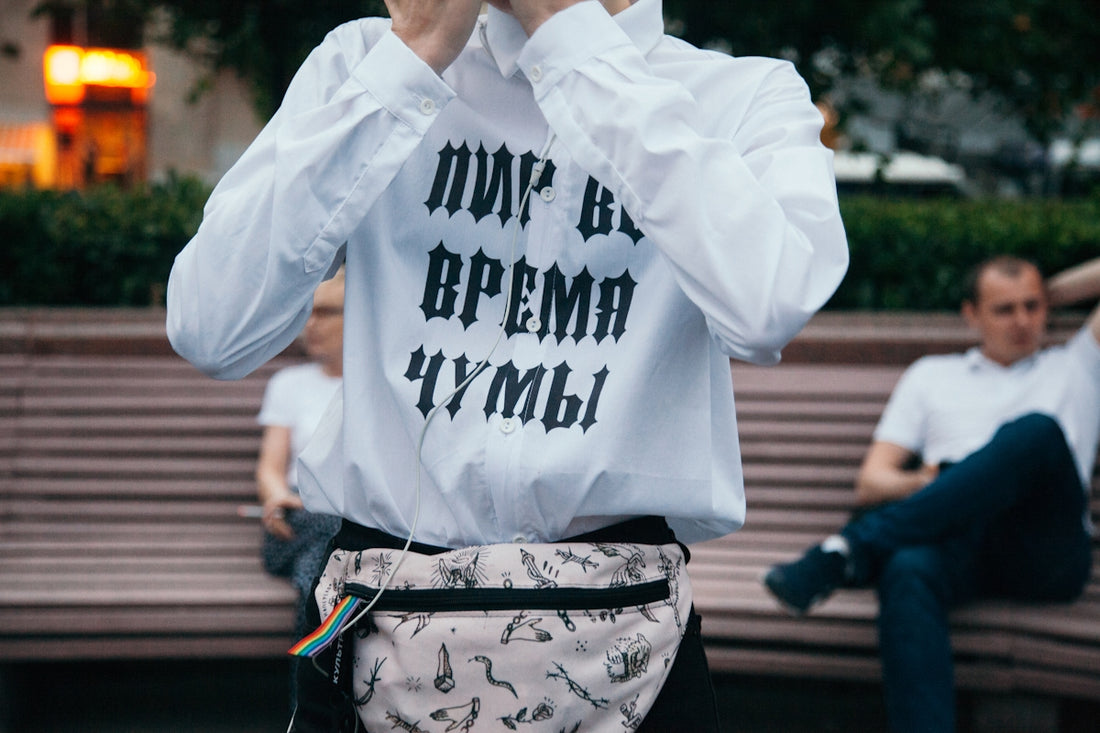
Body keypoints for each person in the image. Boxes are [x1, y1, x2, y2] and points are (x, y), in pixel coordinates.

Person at [166, 0, 848, 729]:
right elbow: (213, 327)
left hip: (627, 637)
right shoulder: (364, 63)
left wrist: (568, 36)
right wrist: (410, 60)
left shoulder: (742, 95)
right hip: (382, 618)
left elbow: (768, 306)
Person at [763, 255, 1100, 733]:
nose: (1023, 321)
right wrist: (940, 481)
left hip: (1043, 549)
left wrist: (1054, 290)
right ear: (971, 314)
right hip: (955, 539)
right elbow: (872, 482)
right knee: (906, 567)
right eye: (1004, 309)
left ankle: (849, 550)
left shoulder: (1079, 365)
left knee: (1037, 432)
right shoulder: (932, 376)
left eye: (1033, 306)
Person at [254, 272, 345, 702]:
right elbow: (270, 469)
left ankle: (306, 713)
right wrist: (276, 497)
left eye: (325, 312)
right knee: (328, 558)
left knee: (317, 578)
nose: (310, 324)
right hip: (298, 522)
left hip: (346, 529)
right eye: (306, 312)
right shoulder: (289, 385)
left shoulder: (381, 385)